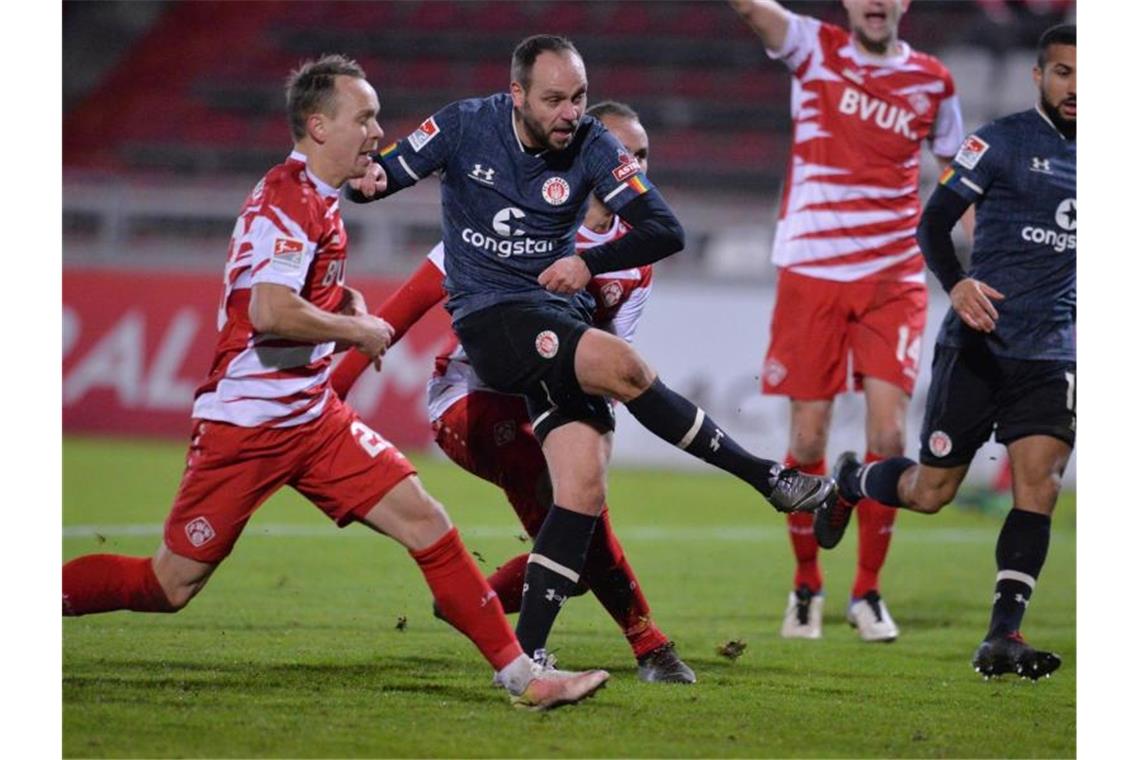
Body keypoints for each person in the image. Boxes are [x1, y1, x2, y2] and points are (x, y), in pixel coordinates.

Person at [60, 54, 610, 711]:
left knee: (426, 522)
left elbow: (286, 290)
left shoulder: (316, 201)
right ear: (319, 126)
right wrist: (360, 329)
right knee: (168, 585)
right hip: (249, 425)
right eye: (365, 117)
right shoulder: (290, 199)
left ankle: (524, 678)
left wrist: (341, 299)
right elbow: (269, 310)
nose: (378, 131)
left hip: (312, 418)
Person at [349, 35, 835, 666]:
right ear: (517, 94)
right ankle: (764, 481)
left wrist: (589, 263)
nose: (568, 113)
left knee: (582, 492)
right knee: (626, 372)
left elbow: (667, 229)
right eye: (553, 99)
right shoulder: (467, 124)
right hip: (490, 331)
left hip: (555, 332)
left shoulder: (593, 147)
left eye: (578, 97)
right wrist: (355, 177)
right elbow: (381, 178)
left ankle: (524, 660)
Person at [334, 102, 695, 684]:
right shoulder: (510, 217)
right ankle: (645, 645)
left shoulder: (634, 260)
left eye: (641, 158)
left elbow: (609, 359)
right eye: (621, 154)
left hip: (546, 394)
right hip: (470, 397)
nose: (629, 167)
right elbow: (399, 313)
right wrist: (332, 390)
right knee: (575, 511)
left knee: (572, 542)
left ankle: (470, 599)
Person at [815, 24, 1076, 680]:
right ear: (1038, 76)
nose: (1076, 88)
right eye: (1063, 73)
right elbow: (932, 221)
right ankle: (852, 480)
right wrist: (956, 285)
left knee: (1038, 486)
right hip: (979, 345)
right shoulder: (1002, 141)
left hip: (1052, 353)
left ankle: (1002, 635)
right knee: (932, 492)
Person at [729, 0, 966, 642]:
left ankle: (867, 592)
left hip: (894, 278)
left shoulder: (933, 81)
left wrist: (987, 257)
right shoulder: (814, 47)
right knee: (808, 443)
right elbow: (754, 11)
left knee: (890, 438)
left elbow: (960, 175)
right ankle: (807, 585)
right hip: (812, 273)